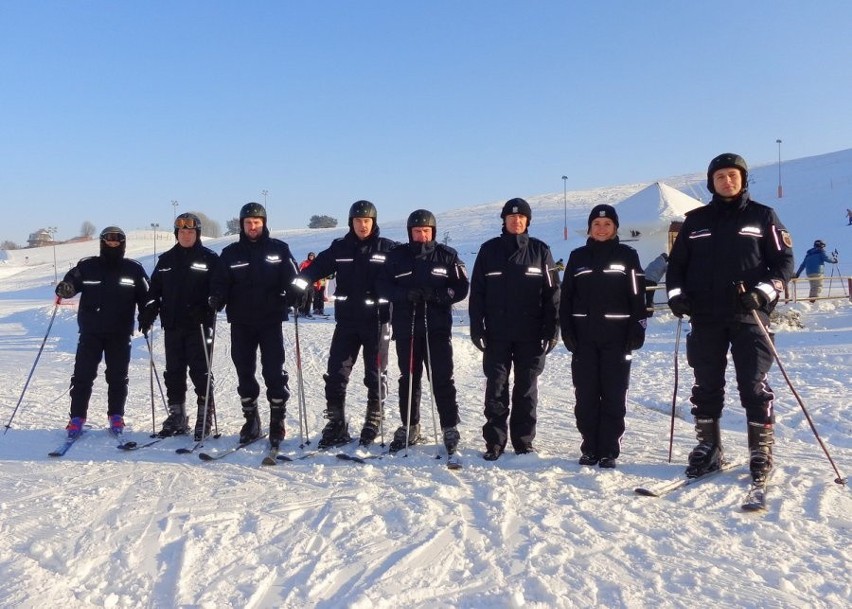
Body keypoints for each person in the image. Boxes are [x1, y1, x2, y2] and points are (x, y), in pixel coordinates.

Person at [666, 153, 794, 484]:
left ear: (743, 179)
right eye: (720, 176)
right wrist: (676, 295)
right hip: (705, 316)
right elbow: (677, 266)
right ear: (712, 182)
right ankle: (709, 446)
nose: (727, 181)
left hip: (748, 314)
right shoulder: (695, 221)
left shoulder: (763, 216)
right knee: (706, 383)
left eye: (733, 175)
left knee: (753, 383)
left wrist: (764, 292)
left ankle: (761, 449)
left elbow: (784, 264)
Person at [290, 200, 398, 449]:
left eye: (367, 221)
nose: (363, 225)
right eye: (358, 221)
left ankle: (374, 418)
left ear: (374, 222)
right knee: (337, 373)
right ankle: (336, 422)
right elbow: (315, 268)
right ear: (351, 223)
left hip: (377, 321)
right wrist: (297, 288)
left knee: (375, 373)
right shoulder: (340, 247)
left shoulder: (388, 249)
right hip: (347, 320)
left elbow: (405, 275)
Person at [469, 198, 560, 460]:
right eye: (511, 217)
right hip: (497, 334)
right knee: (496, 387)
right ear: (504, 221)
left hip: (530, 335)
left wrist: (552, 330)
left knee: (526, 388)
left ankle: (523, 442)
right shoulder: (489, 251)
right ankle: (494, 442)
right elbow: (478, 294)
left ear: (528, 221)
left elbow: (553, 294)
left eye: (521, 218)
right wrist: (477, 328)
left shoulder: (541, 251)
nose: (516, 221)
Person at [560, 205, 648, 468]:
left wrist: (638, 327)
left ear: (615, 228)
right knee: (586, 395)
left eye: (607, 224)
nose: (601, 229)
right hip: (584, 339)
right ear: (589, 228)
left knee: (613, 393)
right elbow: (566, 299)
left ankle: (609, 448)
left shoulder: (627, 256)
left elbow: (638, 295)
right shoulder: (577, 258)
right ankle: (589, 447)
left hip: (617, 337)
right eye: (596, 225)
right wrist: (567, 330)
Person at [208, 202, 300, 448]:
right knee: (244, 371)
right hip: (241, 321)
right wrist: (217, 297)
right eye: (248, 223)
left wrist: (296, 293)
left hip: (270, 320)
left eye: (256, 223)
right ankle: (251, 420)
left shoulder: (279, 249)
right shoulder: (230, 253)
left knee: (273, 370)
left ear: (264, 223)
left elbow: (293, 278)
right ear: (241, 225)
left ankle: (277, 420)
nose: (252, 227)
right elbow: (220, 281)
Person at [377, 209, 469, 454]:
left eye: (426, 231)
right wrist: (404, 294)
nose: (421, 235)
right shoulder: (397, 257)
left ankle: (449, 426)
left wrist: (438, 296)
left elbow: (461, 287)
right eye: (417, 231)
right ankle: (410, 425)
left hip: (436, 328)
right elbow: (383, 286)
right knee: (408, 378)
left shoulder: (447, 256)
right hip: (407, 328)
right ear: (410, 233)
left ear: (433, 232)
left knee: (441, 378)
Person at [55, 226, 150, 438]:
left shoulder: (133, 269)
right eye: (109, 241)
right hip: (91, 332)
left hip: (120, 333)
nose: (113, 244)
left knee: (117, 377)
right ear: (102, 243)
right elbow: (70, 281)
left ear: (123, 244)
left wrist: (147, 313)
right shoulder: (88, 266)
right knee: (83, 376)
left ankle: (116, 416)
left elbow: (147, 296)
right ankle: (77, 418)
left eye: (117, 241)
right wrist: (66, 288)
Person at [138, 213, 220, 440]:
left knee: (200, 372)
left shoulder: (210, 258)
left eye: (190, 231)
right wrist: (148, 312)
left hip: (200, 325)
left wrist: (211, 303)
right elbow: (154, 291)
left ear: (197, 234)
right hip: (173, 325)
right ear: (177, 234)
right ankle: (177, 415)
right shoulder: (166, 260)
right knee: (173, 372)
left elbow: (219, 288)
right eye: (182, 232)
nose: (186, 235)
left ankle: (205, 416)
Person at [297, 253, 317, 318]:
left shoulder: (315, 263)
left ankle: (307, 311)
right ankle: (301, 311)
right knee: (304, 297)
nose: (311, 257)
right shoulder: (304, 262)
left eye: (312, 256)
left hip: (311, 282)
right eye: (310, 256)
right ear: (308, 256)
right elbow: (298, 270)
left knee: (310, 298)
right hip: (304, 282)